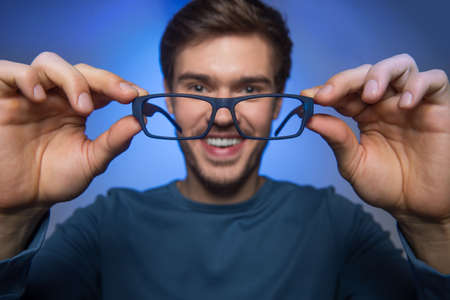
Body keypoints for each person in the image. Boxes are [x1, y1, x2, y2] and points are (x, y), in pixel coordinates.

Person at [0, 0, 449, 299]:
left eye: (250, 89)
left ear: (277, 103)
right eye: (198, 87)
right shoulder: (105, 225)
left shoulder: (338, 226)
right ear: (170, 99)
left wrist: (434, 225)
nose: (221, 115)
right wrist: (9, 217)